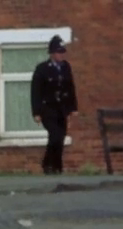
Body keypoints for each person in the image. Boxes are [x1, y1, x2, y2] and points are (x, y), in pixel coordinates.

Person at [31, 34, 77, 175]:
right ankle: (48, 163)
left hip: (61, 109)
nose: (61, 55)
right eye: (58, 52)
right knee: (55, 134)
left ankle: (56, 166)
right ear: (51, 53)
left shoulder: (66, 67)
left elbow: (70, 87)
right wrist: (36, 112)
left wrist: (73, 107)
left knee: (60, 137)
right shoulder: (42, 69)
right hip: (47, 109)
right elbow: (36, 91)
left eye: (62, 52)